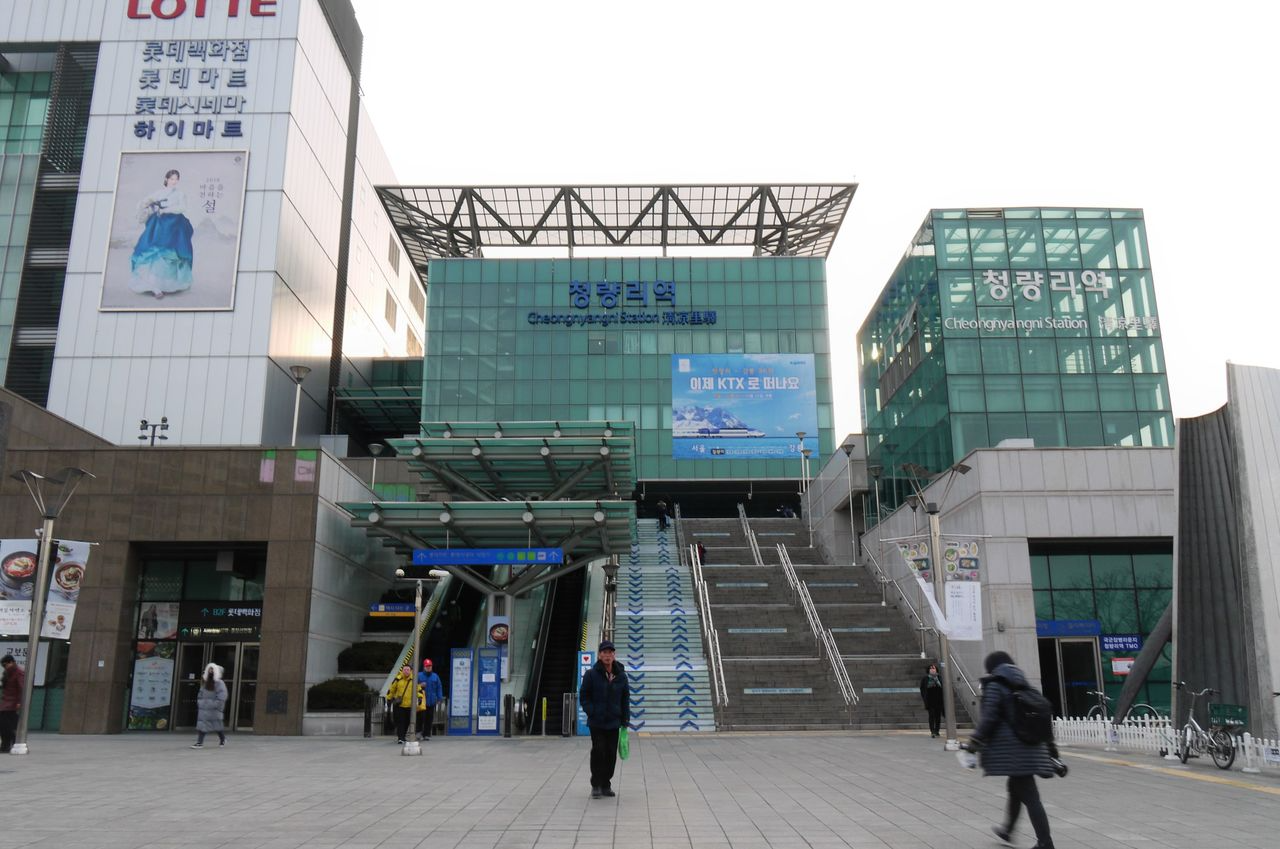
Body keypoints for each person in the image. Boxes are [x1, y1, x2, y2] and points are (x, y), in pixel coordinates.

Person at [968, 651, 1058, 849]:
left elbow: (989, 717)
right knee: (1015, 788)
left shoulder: (996, 685)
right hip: (1032, 747)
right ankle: (1007, 830)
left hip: (1016, 751)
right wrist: (1052, 752)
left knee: (1030, 795)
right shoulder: (1025, 685)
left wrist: (975, 740)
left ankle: (1045, 842)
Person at [130, 168, 194, 298]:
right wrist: (147, 206)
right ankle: (154, 286)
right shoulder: (158, 193)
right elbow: (146, 202)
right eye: (172, 178)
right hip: (158, 225)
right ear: (166, 179)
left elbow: (182, 207)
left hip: (174, 225)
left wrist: (166, 210)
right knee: (153, 251)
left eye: (176, 179)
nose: (174, 181)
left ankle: (168, 284)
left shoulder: (180, 194)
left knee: (171, 255)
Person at [579, 639, 630, 799]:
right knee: (598, 751)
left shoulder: (621, 676)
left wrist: (625, 720)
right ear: (600, 655)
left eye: (610, 652)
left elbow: (625, 698)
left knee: (611, 754)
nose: (607, 655)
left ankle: (606, 784)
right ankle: (596, 785)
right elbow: (584, 695)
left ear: (614, 655)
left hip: (614, 722)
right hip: (597, 722)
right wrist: (591, 711)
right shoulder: (591, 674)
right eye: (604, 652)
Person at [191, 662, 227, 748]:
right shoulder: (205, 683)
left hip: (214, 709)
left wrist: (216, 705)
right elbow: (200, 694)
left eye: (212, 669)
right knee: (203, 725)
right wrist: (200, 702)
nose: (210, 671)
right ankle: (199, 742)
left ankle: (222, 739)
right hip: (204, 708)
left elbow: (222, 695)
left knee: (217, 726)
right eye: (209, 669)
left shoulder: (219, 683)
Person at [1, 654, 24, 753]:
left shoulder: (18, 673)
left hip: (12, 704)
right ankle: (7, 744)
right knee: (4, 726)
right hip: (6, 703)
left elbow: (22, 688)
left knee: (7, 726)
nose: (5, 667)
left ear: (12, 662)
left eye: (6, 665)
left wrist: (19, 702)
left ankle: (10, 744)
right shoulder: (7, 673)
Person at [387, 665, 415, 744]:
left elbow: (418, 689)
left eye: (408, 670)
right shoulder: (398, 679)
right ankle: (400, 737)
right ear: (402, 671)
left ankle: (403, 736)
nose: (406, 671)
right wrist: (389, 698)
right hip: (399, 705)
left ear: (411, 671)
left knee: (407, 722)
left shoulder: (414, 680)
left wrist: (420, 697)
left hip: (409, 705)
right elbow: (391, 689)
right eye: (404, 669)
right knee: (400, 722)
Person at [417, 658, 444, 740]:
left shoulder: (435, 676)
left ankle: (427, 734)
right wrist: (420, 685)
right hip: (421, 701)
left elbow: (439, 687)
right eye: (427, 666)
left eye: (430, 666)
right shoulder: (419, 675)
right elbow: (413, 686)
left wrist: (439, 698)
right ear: (424, 667)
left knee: (429, 718)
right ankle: (418, 732)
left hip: (431, 701)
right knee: (420, 718)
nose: (428, 667)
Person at [919, 662, 944, 738]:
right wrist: (924, 698)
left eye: (934, 668)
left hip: (939, 699)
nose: (932, 670)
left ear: (936, 670)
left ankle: (937, 730)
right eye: (931, 668)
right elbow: (922, 689)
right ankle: (932, 731)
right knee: (931, 716)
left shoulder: (939, 678)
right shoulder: (925, 679)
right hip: (930, 700)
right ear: (928, 670)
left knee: (938, 716)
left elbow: (943, 687)